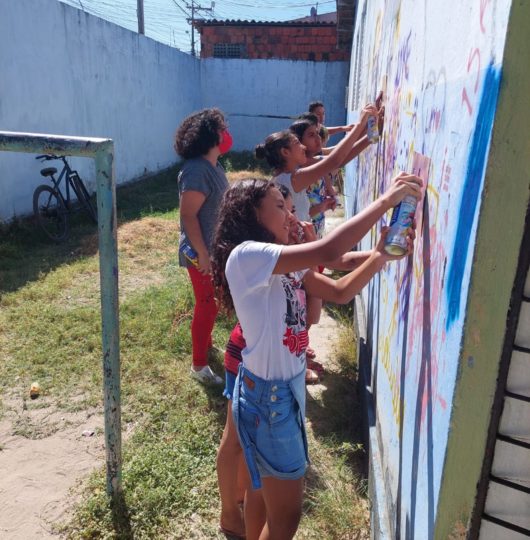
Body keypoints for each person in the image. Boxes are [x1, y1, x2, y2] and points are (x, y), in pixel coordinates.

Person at [211, 173, 422, 539]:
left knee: (262, 493)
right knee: (288, 516)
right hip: (270, 399)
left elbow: (339, 290)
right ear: (250, 215)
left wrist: (380, 255)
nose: (293, 216)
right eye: (281, 207)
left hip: (277, 394)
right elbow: (328, 253)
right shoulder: (246, 256)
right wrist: (386, 201)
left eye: (292, 208)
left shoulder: (286, 267)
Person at [174, 107, 232, 384]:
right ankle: (199, 366)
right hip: (201, 252)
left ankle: (205, 345)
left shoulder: (215, 166)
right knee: (207, 305)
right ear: (212, 136)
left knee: (211, 302)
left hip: (212, 250)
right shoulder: (196, 170)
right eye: (223, 129)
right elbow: (188, 215)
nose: (227, 134)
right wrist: (203, 253)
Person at [255, 104, 378, 224]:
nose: (303, 147)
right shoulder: (293, 178)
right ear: (285, 152)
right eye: (298, 143)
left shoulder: (285, 178)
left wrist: (374, 130)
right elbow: (336, 161)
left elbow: (301, 213)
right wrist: (360, 124)